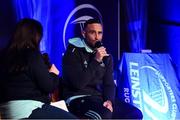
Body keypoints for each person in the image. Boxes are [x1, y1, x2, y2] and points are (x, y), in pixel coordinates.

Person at [62, 18, 143, 119]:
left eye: (99, 33)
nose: (97, 37)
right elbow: (78, 84)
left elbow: (109, 84)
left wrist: (109, 101)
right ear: (84, 33)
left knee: (134, 114)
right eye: (92, 32)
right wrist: (96, 61)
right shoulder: (72, 52)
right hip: (78, 98)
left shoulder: (106, 57)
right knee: (104, 114)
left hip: (98, 98)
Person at [0, 18, 76, 119]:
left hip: (7, 111)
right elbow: (48, 86)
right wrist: (53, 74)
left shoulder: (3, 55)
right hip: (28, 109)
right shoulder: (32, 55)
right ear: (35, 36)